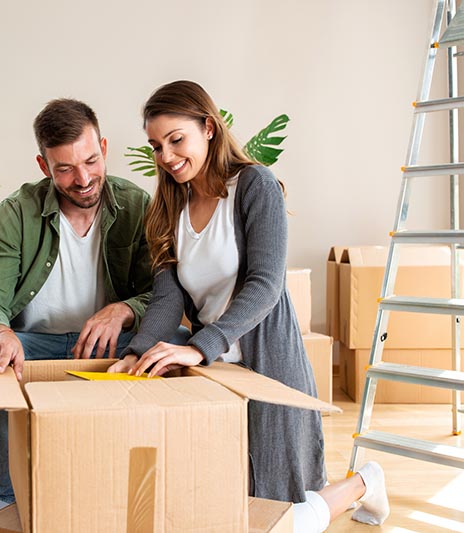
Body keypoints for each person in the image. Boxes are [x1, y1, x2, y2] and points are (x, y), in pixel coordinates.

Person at [107, 80, 389, 532]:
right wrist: (137, 353)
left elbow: (266, 284)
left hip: (266, 364)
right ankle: (359, 484)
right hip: (216, 372)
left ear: (209, 128)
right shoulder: (166, 206)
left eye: (176, 140)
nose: (166, 157)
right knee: (228, 500)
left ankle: (364, 482)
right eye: (156, 146)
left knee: (279, 516)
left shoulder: (254, 186)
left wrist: (200, 345)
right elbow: (168, 296)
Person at [0, 98, 154, 532]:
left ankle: (143, 470)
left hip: (107, 348)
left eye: (90, 160)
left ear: (103, 147)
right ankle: (4, 495)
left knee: (172, 338)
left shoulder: (137, 206)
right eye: (64, 168)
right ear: (44, 166)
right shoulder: (16, 213)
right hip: (34, 350)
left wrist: (123, 309)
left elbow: (160, 293)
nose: (82, 179)